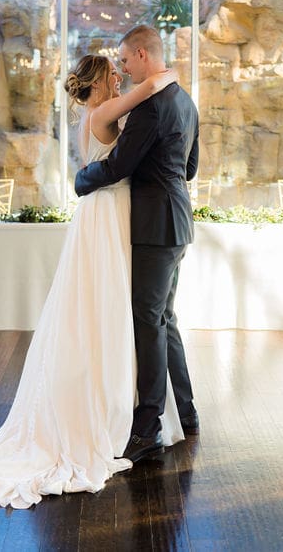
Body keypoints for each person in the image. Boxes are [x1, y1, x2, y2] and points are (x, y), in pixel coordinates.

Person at [0, 54, 182, 509]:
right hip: (107, 215)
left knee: (114, 305)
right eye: (113, 71)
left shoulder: (95, 113)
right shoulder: (104, 111)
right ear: (99, 82)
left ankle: (125, 403)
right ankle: (113, 408)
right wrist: (167, 73)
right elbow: (145, 92)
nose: (120, 75)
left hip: (107, 214)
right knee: (113, 304)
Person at [75, 25, 200, 464]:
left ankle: (147, 427)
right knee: (164, 318)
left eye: (126, 61)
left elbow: (118, 165)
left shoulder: (151, 106)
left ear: (143, 54)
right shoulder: (185, 101)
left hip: (154, 227)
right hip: (178, 224)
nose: (123, 70)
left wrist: (79, 181)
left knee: (148, 322)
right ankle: (185, 412)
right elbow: (191, 169)